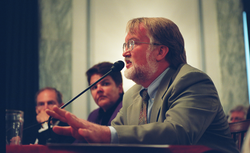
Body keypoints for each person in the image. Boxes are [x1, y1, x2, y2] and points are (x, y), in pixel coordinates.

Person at [46, 17, 239, 153]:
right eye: (125, 46)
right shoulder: (133, 95)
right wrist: (87, 135)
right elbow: (115, 135)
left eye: (132, 43)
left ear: (160, 51)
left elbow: (177, 134)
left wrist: (104, 134)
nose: (124, 53)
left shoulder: (192, 81)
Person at [86, 62, 124, 126]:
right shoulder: (92, 116)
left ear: (120, 88)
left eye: (105, 84)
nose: (99, 90)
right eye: (94, 87)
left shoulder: (129, 111)